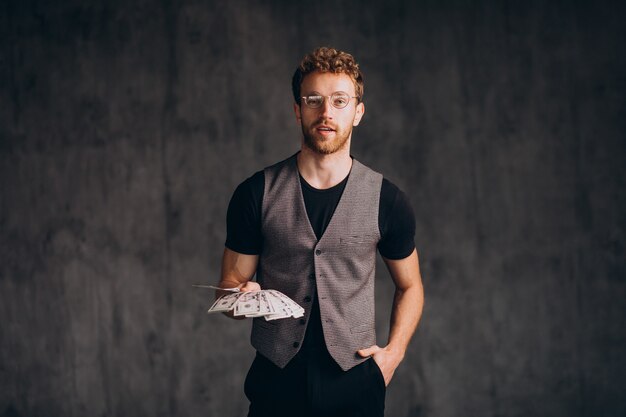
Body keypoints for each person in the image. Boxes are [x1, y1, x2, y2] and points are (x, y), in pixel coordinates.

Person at [218, 46, 424, 417]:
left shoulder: (387, 200)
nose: (326, 112)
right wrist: (241, 297)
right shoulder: (255, 193)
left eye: (340, 101)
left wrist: (392, 355)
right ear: (298, 109)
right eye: (314, 100)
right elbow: (229, 289)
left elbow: (410, 286)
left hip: (355, 382)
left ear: (358, 112)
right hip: (275, 382)